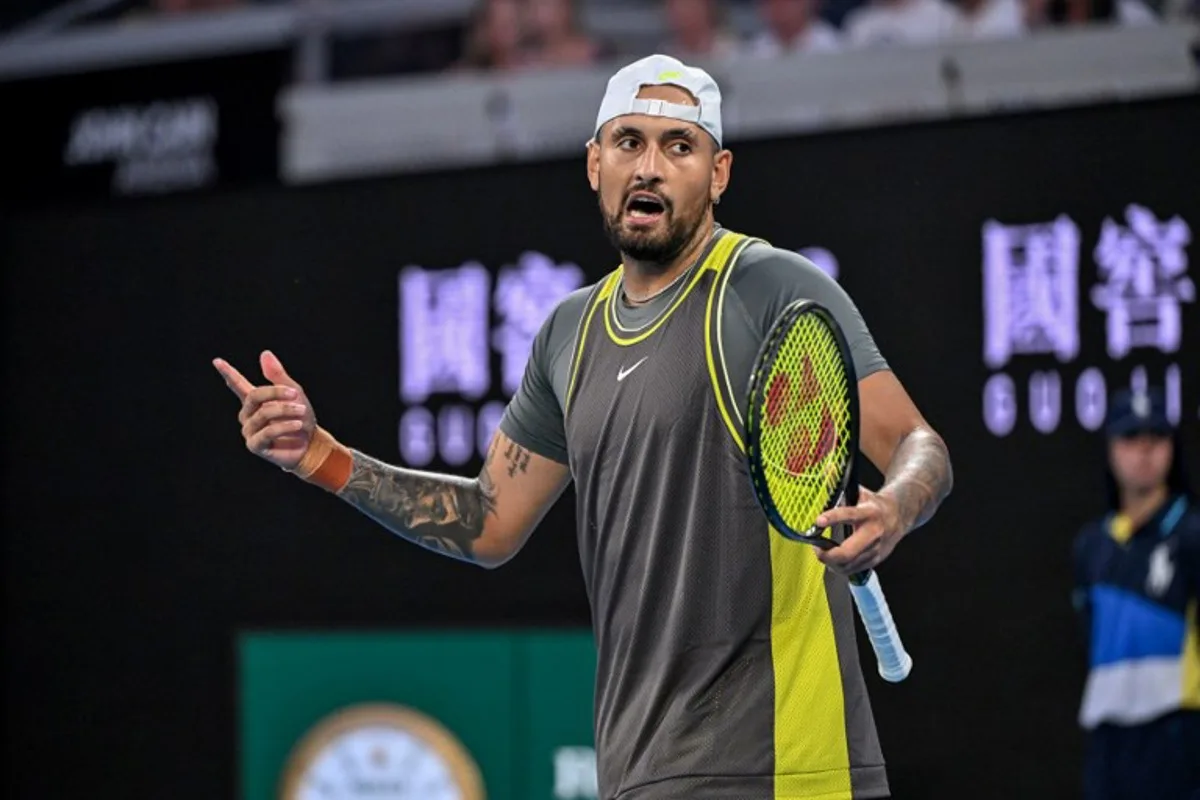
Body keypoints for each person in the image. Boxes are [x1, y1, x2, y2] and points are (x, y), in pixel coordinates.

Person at [213, 54, 954, 800]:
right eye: (629, 142)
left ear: (719, 173)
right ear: (595, 163)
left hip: (785, 765)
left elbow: (919, 446)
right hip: (640, 771)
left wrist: (894, 507)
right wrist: (320, 456)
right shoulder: (570, 332)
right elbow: (489, 521)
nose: (651, 167)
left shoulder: (767, 287)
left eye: (679, 146)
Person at [1071, 387, 1200, 800]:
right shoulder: (1092, 546)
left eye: (1156, 438)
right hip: (1109, 738)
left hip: (1179, 732)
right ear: (1111, 449)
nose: (1144, 451)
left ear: (1172, 449)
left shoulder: (1192, 534)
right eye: (1131, 438)